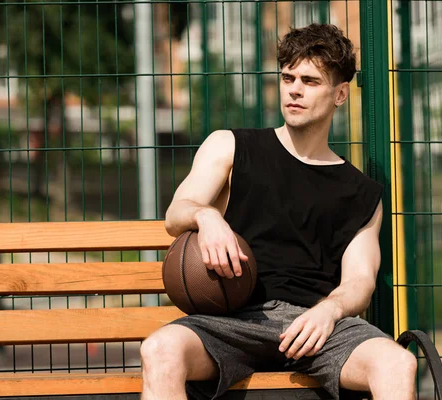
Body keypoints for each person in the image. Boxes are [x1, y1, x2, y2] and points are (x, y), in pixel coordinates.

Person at [141, 23, 417, 400]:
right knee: (160, 349)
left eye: (310, 80)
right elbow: (176, 214)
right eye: (288, 78)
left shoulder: (361, 193)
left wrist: (329, 310)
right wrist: (207, 217)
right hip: (232, 319)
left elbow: (360, 281)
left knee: (398, 363)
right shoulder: (231, 147)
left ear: (340, 94)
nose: (295, 89)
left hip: (315, 326)